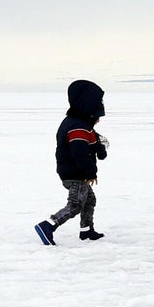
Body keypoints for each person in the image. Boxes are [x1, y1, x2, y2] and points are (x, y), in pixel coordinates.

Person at [36, 79, 109, 244]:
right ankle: (48, 225)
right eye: (97, 117)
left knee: (89, 200)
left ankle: (86, 230)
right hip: (75, 173)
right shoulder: (77, 128)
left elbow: (94, 141)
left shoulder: (81, 125)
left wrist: (101, 149)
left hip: (75, 171)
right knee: (76, 204)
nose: (99, 120)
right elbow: (80, 153)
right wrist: (89, 172)